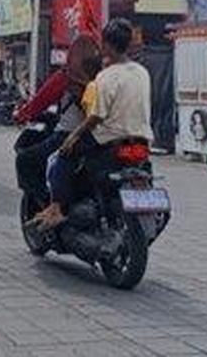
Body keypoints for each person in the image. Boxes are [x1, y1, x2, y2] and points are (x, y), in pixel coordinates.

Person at [32, 18, 152, 230]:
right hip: (141, 139)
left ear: (105, 46)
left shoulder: (105, 77)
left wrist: (73, 136)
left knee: (63, 155)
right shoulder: (142, 73)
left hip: (110, 140)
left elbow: (96, 115)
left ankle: (56, 208)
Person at [13, 36, 103, 202]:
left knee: (25, 160)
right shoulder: (105, 76)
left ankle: (47, 204)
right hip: (105, 138)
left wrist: (22, 115)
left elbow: (39, 101)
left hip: (70, 135)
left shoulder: (65, 77)